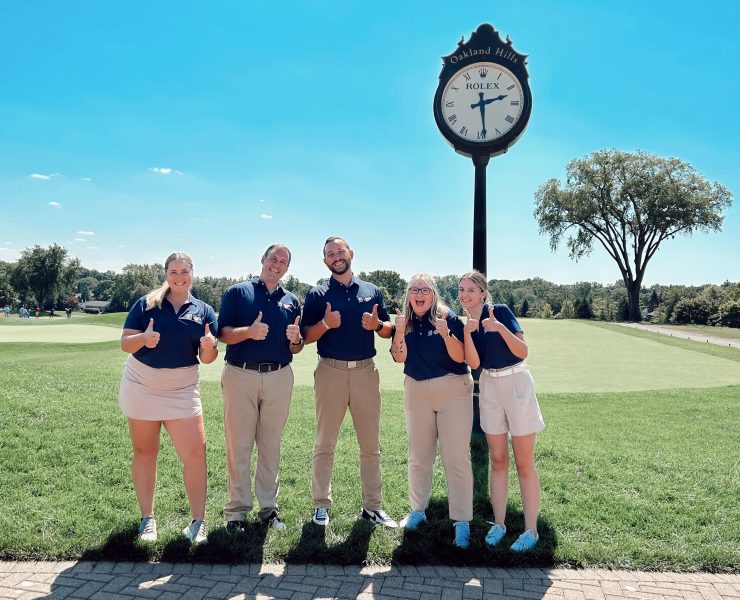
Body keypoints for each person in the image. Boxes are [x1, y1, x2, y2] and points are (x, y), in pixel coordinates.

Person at [118, 252, 218, 545]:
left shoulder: (204, 310)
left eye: (184, 271)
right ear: (166, 274)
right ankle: (147, 519)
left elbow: (208, 359)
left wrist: (210, 347)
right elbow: (125, 343)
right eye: (173, 271)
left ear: (193, 273)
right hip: (142, 383)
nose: (179, 277)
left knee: (196, 454)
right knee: (145, 452)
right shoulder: (146, 304)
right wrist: (143, 340)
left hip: (183, 388)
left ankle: (198, 523)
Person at [301, 236, 398, 528]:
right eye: (330, 254)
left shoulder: (372, 290)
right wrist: (326, 324)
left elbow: (389, 329)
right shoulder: (317, 295)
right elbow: (305, 337)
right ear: (325, 261)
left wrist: (377, 326)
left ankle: (372, 507)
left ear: (350, 254)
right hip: (330, 371)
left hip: (366, 372)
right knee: (324, 442)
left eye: (340, 251)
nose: (336, 257)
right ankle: (321, 505)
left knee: (370, 444)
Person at [217, 243, 303, 533]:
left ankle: (268, 509)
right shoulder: (238, 293)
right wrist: (249, 333)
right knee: (238, 444)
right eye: (273, 258)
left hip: (279, 376)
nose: (276, 264)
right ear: (262, 259)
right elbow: (223, 333)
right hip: (240, 375)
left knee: (270, 446)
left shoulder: (292, 300)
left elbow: (296, 345)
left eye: (283, 262)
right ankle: (236, 513)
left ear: (287, 268)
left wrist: (296, 339)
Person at [459, 271, 544, 552]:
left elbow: (522, 351)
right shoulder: (466, 324)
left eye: (471, 289)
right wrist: (469, 334)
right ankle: (499, 524)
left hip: (516, 381)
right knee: (498, 459)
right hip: (489, 386)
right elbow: (474, 363)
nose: (465, 294)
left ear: (483, 292)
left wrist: (499, 329)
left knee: (524, 462)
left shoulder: (501, 312)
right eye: (461, 289)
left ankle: (531, 530)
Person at [391, 274, 474, 548]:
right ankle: (418, 511)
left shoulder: (446, 316)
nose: (419, 293)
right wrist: (399, 330)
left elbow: (461, 356)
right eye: (414, 289)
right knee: (419, 456)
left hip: (452, 391)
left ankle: (461, 521)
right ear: (409, 295)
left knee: (456, 458)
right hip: (417, 391)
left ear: (433, 294)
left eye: (424, 289)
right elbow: (399, 356)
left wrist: (446, 333)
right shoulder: (405, 320)